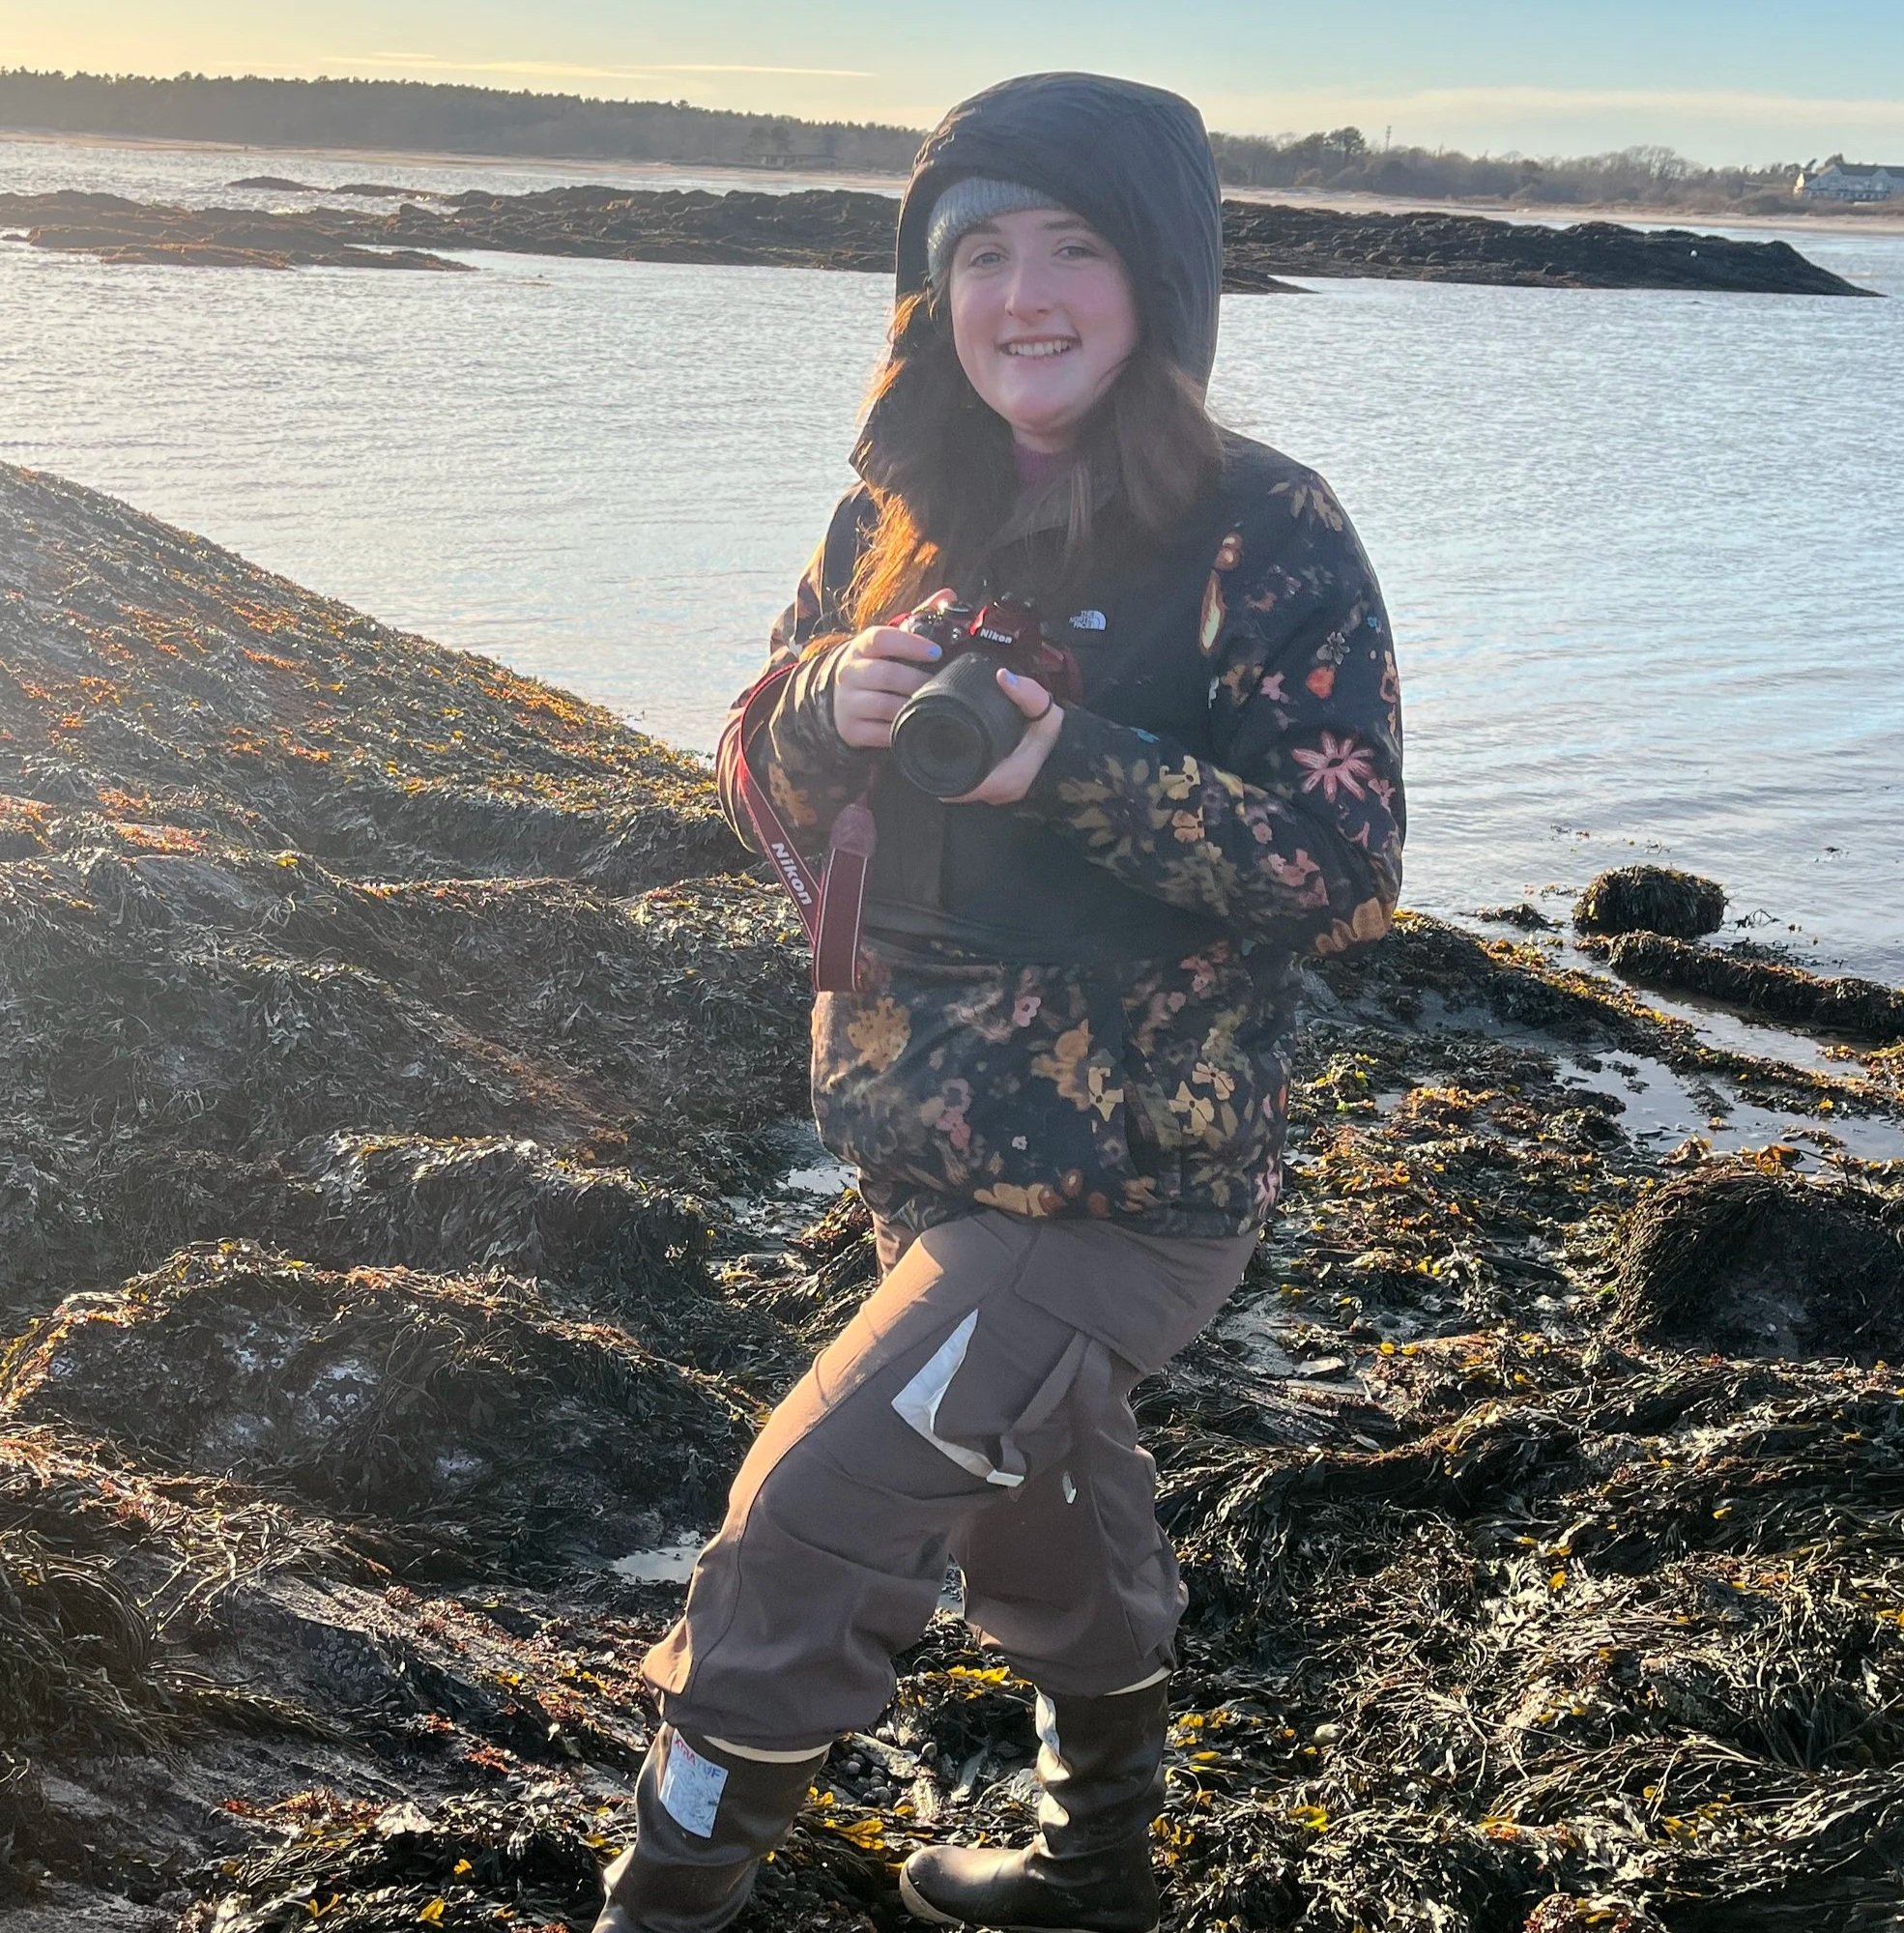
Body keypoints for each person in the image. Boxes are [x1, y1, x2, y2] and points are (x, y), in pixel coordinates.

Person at [595, 71, 1403, 1933]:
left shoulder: (1261, 528)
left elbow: (1345, 868)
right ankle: (1096, 1864)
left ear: (1160, 281)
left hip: (1126, 1185)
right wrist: (821, 713)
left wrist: (1071, 770)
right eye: (979, 252)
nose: (1023, 294)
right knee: (1047, 1507)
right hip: (922, 1144)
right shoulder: (899, 503)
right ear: (929, 284)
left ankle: (659, 1905)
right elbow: (762, 771)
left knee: (804, 1528)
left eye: (1074, 247)